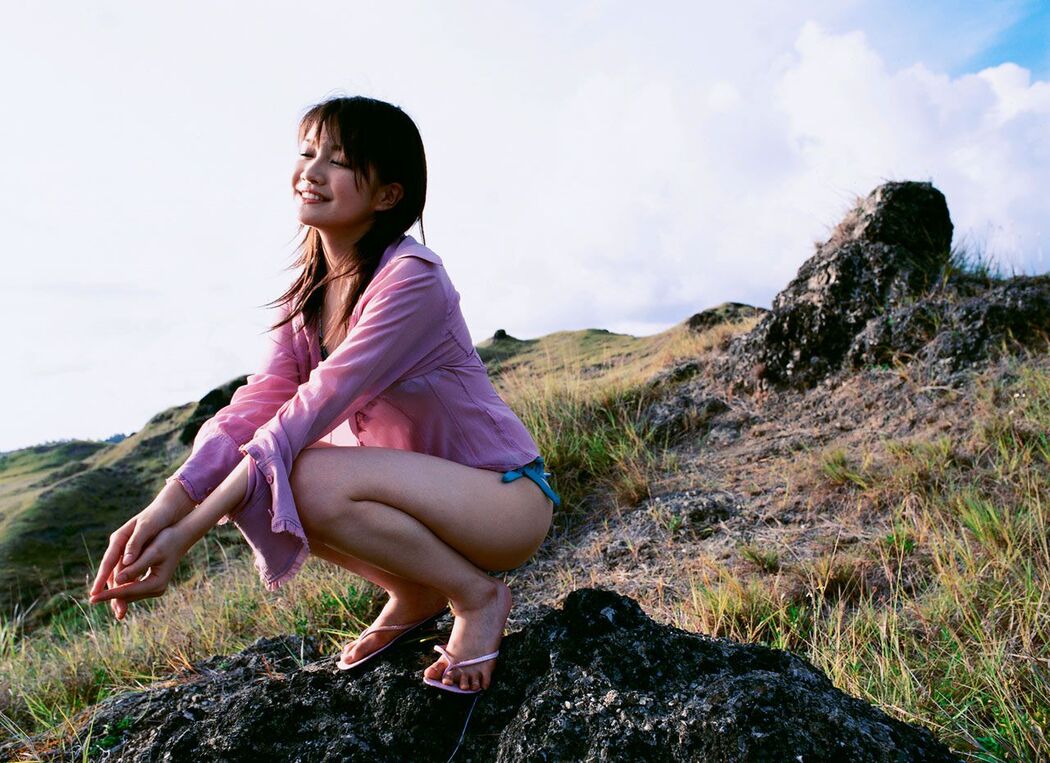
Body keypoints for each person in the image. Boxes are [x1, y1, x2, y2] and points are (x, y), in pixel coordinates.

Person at [88, 96, 560, 695]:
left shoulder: (412, 279)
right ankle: (413, 590)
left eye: (337, 161)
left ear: (387, 195)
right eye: (307, 153)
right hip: (424, 499)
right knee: (258, 464)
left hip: (503, 500)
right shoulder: (307, 295)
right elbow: (254, 412)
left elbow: (306, 413)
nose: (310, 172)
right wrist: (160, 513)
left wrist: (186, 534)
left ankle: (477, 597)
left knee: (298, 472)